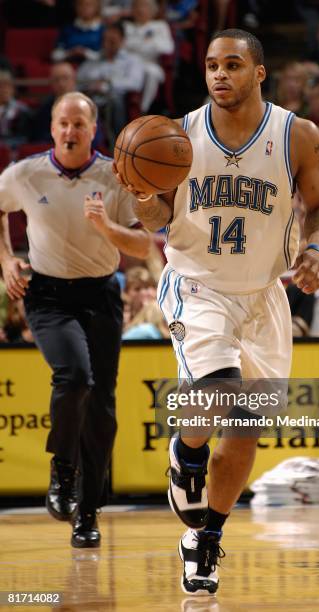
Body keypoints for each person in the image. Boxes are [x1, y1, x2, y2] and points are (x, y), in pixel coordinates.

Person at [115, 28, 319, 596]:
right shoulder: (176, 135)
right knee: (218, 389)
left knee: (243, 434)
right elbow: (156, 219)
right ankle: (186, 451)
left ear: (258, 72)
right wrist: (144, 198)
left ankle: (205, 540)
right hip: (198, 284)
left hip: (265, 294)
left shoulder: (296, 135)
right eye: (212, 64)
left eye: (232, 64)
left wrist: (315, 250)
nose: (218, 74)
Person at [0, 92, 150, 548]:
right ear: (51, 128)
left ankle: (88, 512)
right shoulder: (25, 173)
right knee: (75, 377)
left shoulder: (114, 176)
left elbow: (144, 247)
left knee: (102, 412)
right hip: (47, 294)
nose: (70, 131)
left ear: (92, 131)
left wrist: (107, 228)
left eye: (79, 125)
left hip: (101, 295)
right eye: (63, 123)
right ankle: (63, 470)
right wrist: (6, 261)